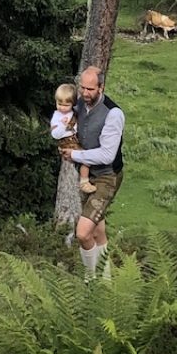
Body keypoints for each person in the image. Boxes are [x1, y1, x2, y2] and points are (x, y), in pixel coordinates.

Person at [59, 66, 125, 280]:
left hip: (107, 176)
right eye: (83, 88)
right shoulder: (79, 104)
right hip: (86, 173)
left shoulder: (113, 114)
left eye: (90, 89)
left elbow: (107, 155)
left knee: (83, 233)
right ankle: (105, 282)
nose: (85, 93)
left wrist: (75, 156)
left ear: (101, 87)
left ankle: (90, 279)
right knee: (98, 232)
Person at [51, 83, 96, 194]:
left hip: (75, 140)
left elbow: (75, 128)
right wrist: (63, 126)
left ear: (73, 104)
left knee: (89, 154)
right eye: (59, 104)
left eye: (66, 105)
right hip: (67, 144)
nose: (62, 107)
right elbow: (55, 134)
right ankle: (84, 182)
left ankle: (89, 177)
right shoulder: (57, 116)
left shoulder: (73, 113)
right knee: (86, 158)